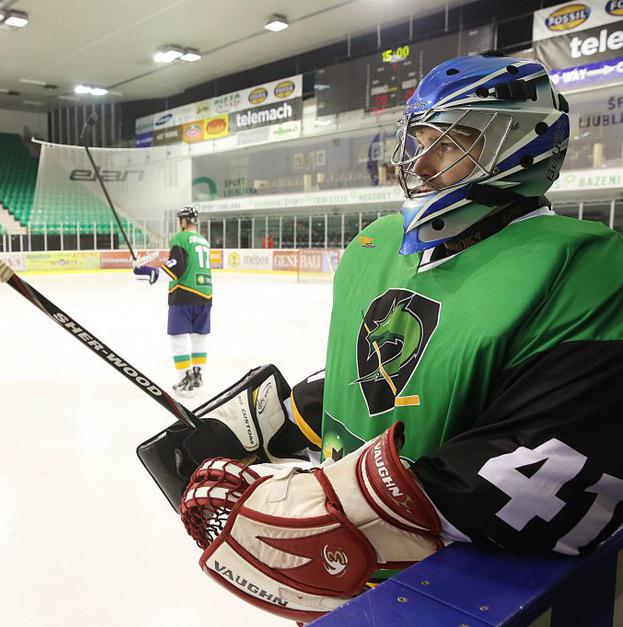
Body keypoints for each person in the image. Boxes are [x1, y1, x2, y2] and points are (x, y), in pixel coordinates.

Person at [139, 52, 623, 623]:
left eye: (450, 142)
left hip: (458, 594)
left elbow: (554, 455)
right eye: (419, 139)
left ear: (522, 145)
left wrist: (328, 507)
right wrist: (266, 421)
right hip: (352, 577)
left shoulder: (588, 267)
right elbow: (375, 379)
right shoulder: (377, 244)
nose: (420, 161)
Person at [134, 206, 213, 396]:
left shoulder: (181, 238)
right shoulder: (204, 241)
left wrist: (146, 271)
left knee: (178, 339)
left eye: (180, 220)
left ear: (184, 221)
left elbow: (176, 268)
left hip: (184, 294)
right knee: (199, 338)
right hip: (206, 295)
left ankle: (185, 379)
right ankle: (197, 377)